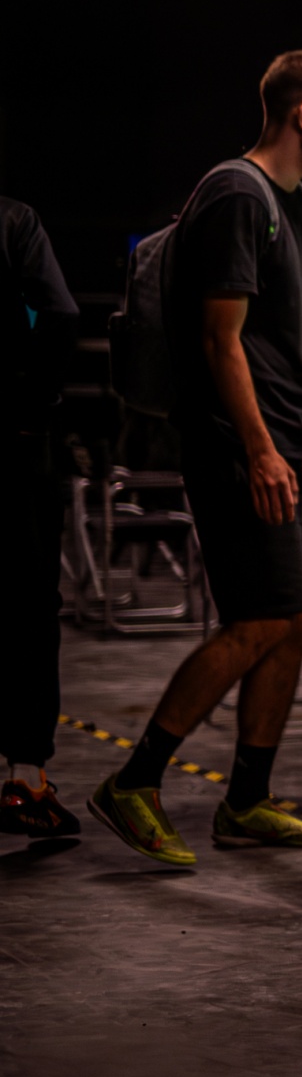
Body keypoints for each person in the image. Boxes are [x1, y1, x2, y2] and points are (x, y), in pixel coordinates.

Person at [94, 52, 302, 865]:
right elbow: (218, 341)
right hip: (241, 445)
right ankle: (134, 781)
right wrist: (259, 451)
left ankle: (248, 801)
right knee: (258, 617)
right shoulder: (235, 195)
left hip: (300, 441)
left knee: (297, 616)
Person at [1, 197, 80, 839]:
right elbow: (60, 313)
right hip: (13, 445)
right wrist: (31, 408)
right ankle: (25, 782)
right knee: (26, 605)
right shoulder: (11, 221)